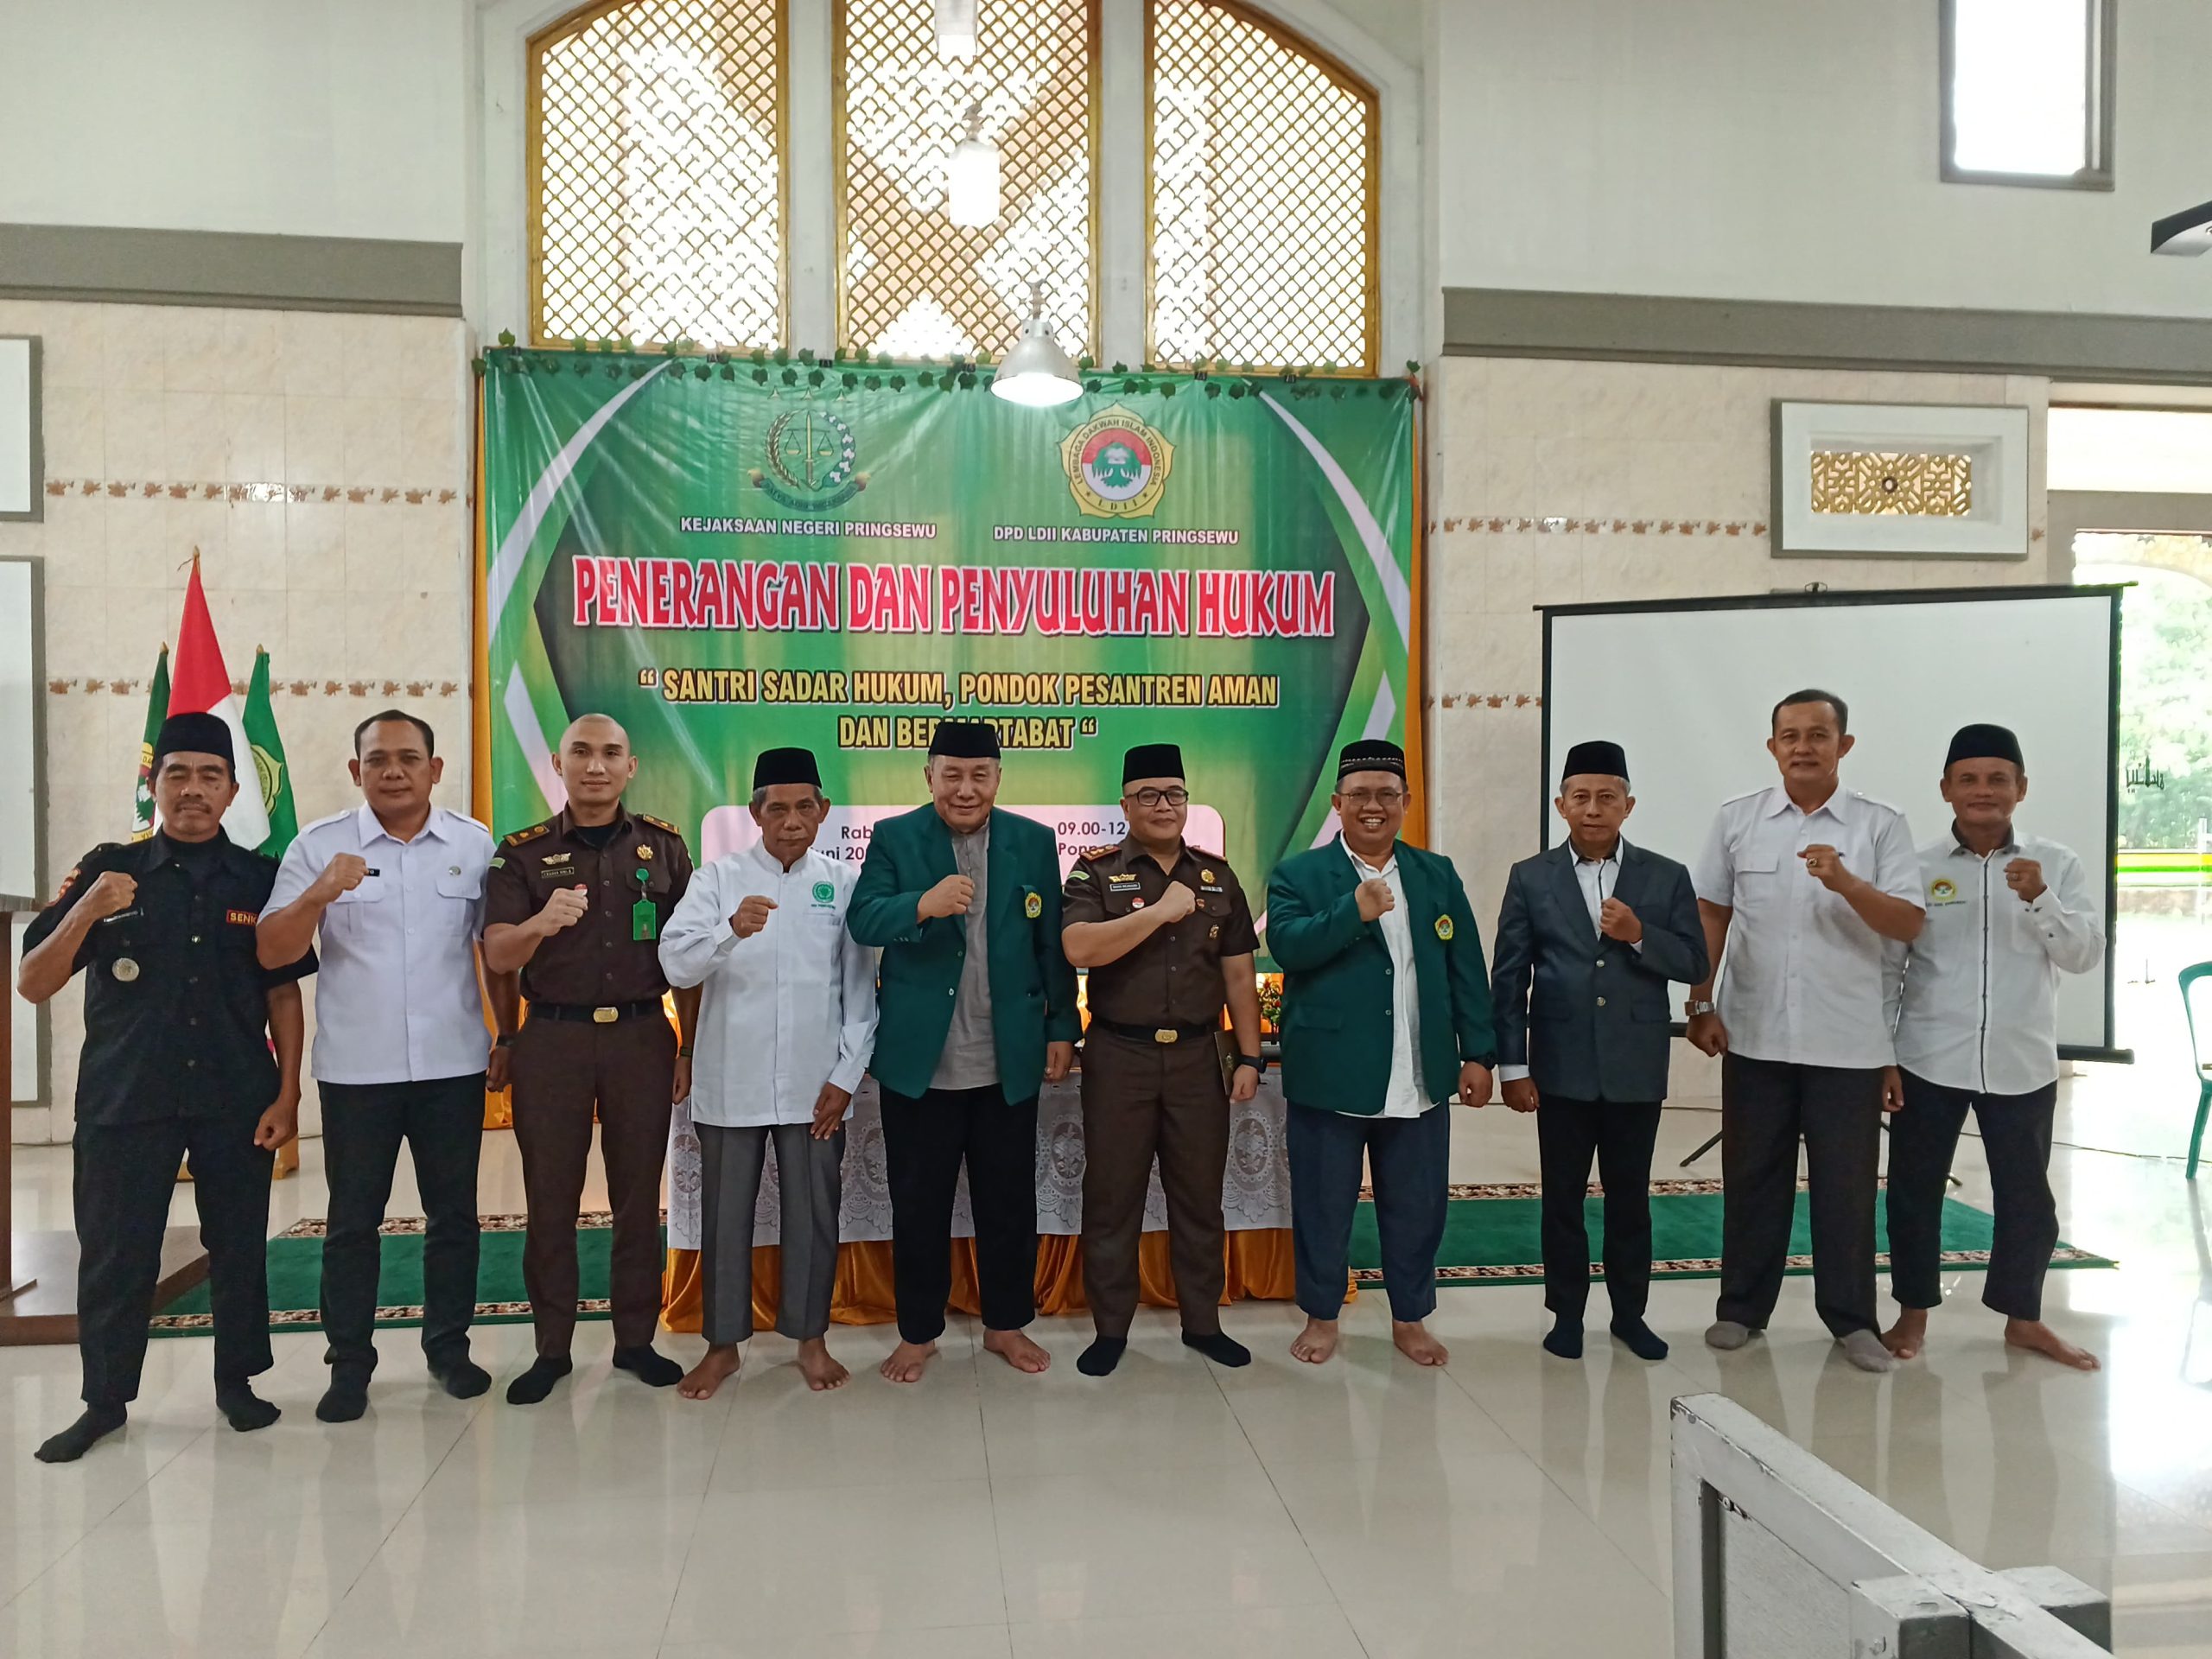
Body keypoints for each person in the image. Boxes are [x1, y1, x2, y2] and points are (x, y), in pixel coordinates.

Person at [20, 712, 315, 1462]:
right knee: (116, 1255)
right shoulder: (108, 868)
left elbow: (283, 992)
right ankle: (104, 1401)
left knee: (238, 1248)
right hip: (126, 1098)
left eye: (210, 776)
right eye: (177, 774)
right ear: (154, 785)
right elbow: (33, 981)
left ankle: (238, 1384)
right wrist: (87, 910)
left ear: (233, 791)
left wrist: (288, 1095)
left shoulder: (259, 878)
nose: (193, 789)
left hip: (235, 1096)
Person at [256, 710, 504, 1421]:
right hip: (357, 1070)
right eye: (377, 760)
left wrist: (508, 1036)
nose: (393, 771)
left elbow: (495, 950)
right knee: (351, 1224)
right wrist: (318, 893)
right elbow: (272, 951)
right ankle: (349, 1364)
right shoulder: (319, 844)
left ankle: (449, 1349)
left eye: (408, 758)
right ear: (355, 770)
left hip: (452, 1064)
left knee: (453, 1217)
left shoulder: (472, 843)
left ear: (435, 768)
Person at [1687, 690, 1925, 1374]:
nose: (1803, 747)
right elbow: (1712, 913)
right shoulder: (1738, 819)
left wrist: (1847, 883)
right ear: (1773, 747)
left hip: (1846, 1042)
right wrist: (1699, 1000)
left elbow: (1908, 922)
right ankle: (1741, 1308)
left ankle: (1851, 1320)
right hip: (1755, 1033)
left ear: (1843, 746)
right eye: (1790, 735)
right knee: (1752, 1178)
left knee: (1846, 1188)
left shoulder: (1880, 826)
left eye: (1818, 735)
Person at [846, 719, 1079, 1383]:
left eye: (980, 775)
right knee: (918, 1206)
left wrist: (1062, 1027)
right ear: (930, 776)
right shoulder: (895, 837)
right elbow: (864, 919)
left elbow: (1051, 942)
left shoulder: (1033, 841)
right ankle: (918, 1333)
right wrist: (921, 904)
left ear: (999, 778)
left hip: (1007, 1060)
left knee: (1009, 1204)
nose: (966, 788)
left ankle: (1005, 1325)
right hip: (921, 1065)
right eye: (952, 775)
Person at [481, 714, 699, 1404]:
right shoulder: (522, 853)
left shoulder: (665, 848)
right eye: (581, 752)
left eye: (610, 753)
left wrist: (689, 1047)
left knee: (638, 1199)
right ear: (559, 763)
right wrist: (539, 923)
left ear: (631, 767)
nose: (596, 766)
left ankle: (635, 1340)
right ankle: (552, 1349)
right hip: (554, 1041)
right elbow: (497, 953)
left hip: (642, 1037)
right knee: (550, 1200)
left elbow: (689, 960)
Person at [1264, 739, 1496, 1368]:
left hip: (1417, 1075)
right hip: (1331, 1076)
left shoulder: (1436, 874)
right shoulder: (1299, 875)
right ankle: (1321, 1316)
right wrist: (1353, 910)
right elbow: (1289, 947)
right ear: (1337, 803)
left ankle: (1410, 1317)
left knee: (1417, 1207)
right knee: (1323, 1205)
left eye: (1387, 795)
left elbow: (1466, 968)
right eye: (1360, 795)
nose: (1374, 806)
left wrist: (1479, 1053)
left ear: (1406, 802)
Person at [1880, 724, 2105, 1370]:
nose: (1984, 791)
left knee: (2028, 1199)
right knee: (1914, 1193)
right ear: (1946, 789)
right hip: (1928, 1057)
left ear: (2021, 789)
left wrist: (2041, 899)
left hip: (2020, 1059)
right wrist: (1882, 1055)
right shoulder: (1915, 867)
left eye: (1998, 779)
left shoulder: (2056, 864)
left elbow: (2084, 955)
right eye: (1969, 779)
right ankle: (1913, 1312)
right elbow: (1887, 966)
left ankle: (2023, 1318)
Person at [658, 747, 878, 1398]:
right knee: (726, 1217)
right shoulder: (718, 879)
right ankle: (723, 1346)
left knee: (814, 1213)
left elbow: (860, 992)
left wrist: (846, 1077)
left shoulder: (843, 882)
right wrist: (729, 930)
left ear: (824, 811)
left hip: (816, 1086)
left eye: (805, 807)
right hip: (733, 1081)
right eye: (777, 809)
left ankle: (810, 1339)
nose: (792, 821)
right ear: (755, 814)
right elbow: (675, 964)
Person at [1491, 740, 1708, 1362]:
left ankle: (1630, 1315)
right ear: (1561, 805)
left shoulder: (1665, 875)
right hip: (1559, 1067)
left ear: (1628, 806)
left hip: (1635, 1066)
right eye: (1581, 797)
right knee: (1561, 1199)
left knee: (1630, 1199)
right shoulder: (1531, 877)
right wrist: (1514, 1067)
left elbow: (1694, 962)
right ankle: (1566, 1315)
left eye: (1607, 797)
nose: (1593, 809)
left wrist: (1639, 935)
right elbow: (1509, 977)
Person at [1059, 742, 1265, 1377]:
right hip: (1119, 1057)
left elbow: (1239, 974)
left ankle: (1202, 1324)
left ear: (1186, 801)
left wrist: (1249, 1056)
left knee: (1199, 1200)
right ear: (1125, 805)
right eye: (1147, 795)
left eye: (1174, 794)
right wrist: (1158, 913)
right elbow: (1079, 948)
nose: (1163, 805)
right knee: (1112, 1198)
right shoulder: (1095, 871)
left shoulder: (1217, 876)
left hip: (1200, 1058)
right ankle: (1110, 1331)